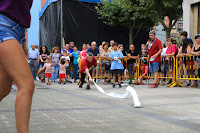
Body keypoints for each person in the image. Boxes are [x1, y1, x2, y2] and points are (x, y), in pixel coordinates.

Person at [0, 1, 34, 132]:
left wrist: (23, 41)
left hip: (18, 31)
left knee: (3, 89)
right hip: (3, 25)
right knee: (26, 84)